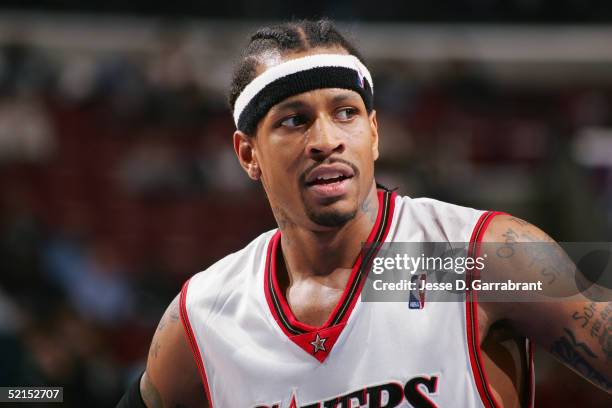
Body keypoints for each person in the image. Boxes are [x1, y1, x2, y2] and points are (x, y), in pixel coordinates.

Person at [117, 19, 612, 407]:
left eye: (346, 113)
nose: (327, 140)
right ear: (248, 154)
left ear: (374, 134)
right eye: (294, 120)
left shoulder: (476, 256)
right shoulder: (204, 314)